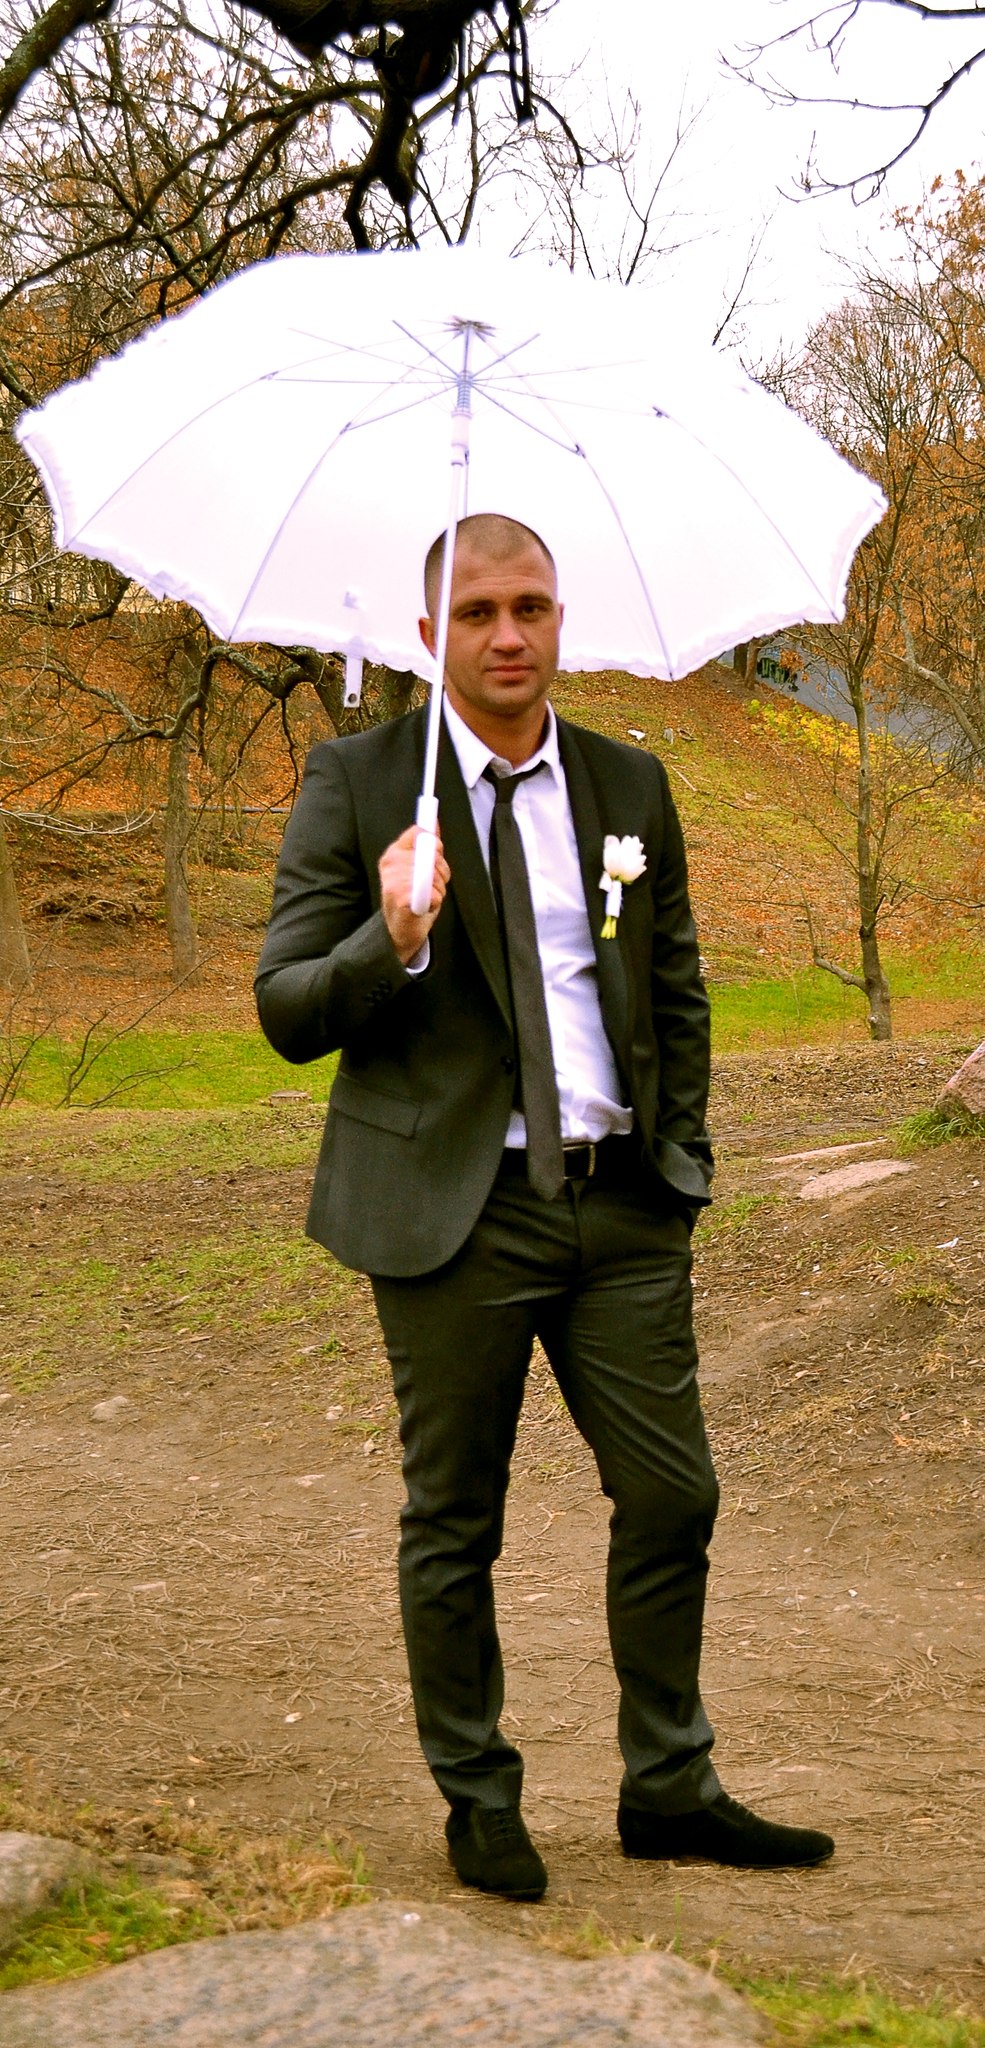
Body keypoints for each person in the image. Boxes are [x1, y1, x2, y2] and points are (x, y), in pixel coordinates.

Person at [255, 512, 834, 1901]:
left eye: (530, 607)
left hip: (619, 1207)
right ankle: (477, 1794)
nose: (507, 635)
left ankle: (669, 1784)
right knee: (457, 1517)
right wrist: (389, 937)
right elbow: (286, 1010)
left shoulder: (629, 784)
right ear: (428, 636)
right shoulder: (360, 783)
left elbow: (675, 986)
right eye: (477, 613)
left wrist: (679, 1164)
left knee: (674, 1492)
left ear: (560, 619)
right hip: (449, 1218)